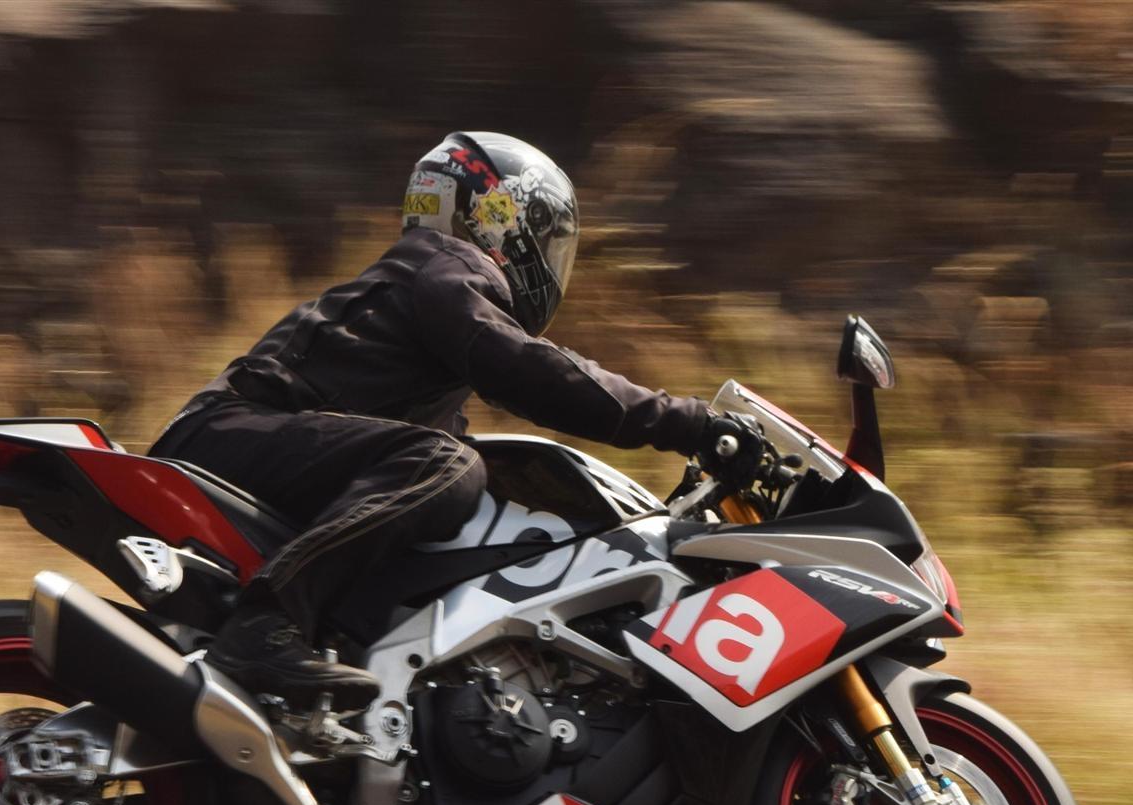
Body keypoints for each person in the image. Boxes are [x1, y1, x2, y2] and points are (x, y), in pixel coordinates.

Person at [150, 131, 761, 709]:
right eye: (548, 237)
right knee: (444, 466)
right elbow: (529, 369)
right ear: (507, 222)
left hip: (238, 439)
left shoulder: (420, 320)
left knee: (448, 478)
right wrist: (692, 424)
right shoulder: (445, 266)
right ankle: (266, 624)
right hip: (227, 435)